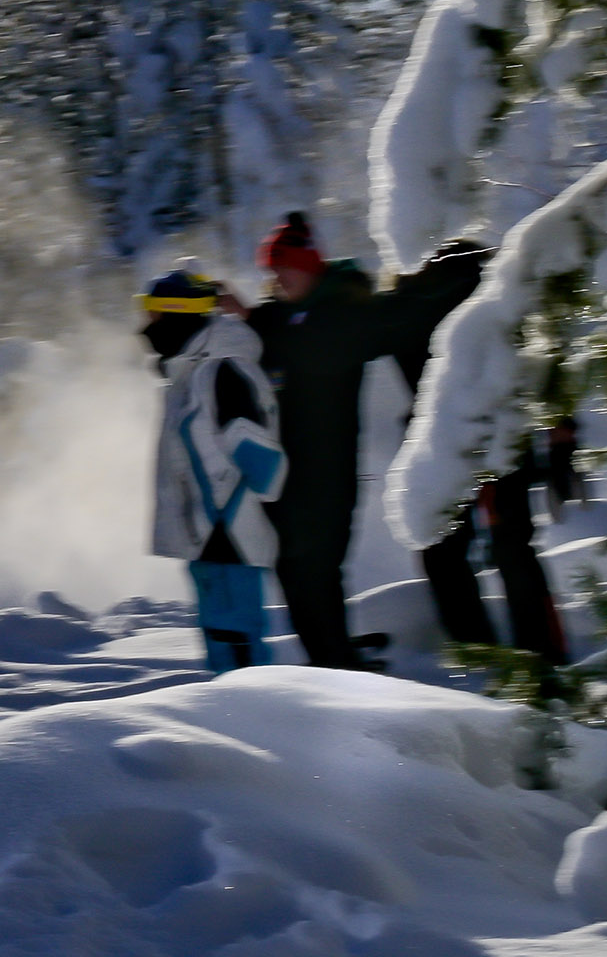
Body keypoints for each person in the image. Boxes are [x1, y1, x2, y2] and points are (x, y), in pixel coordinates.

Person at [242, 210, 487, 671]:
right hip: (282, 470)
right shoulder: (279, 315)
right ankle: (331, 656)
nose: (276, 276)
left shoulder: (339, 310)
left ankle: (335, 661)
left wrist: (462, 272)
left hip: (326, 469)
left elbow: (338, 340)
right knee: (297, 569)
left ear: (310, 266)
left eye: (285, 266)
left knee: (314, 565)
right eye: (271, 268)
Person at [141, 265, 284, 670]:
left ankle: (257, 726)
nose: (147, 326)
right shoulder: (190, 373)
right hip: (208, 537)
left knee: (239, 647)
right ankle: (230, 724)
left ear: (177, 313)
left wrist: (225, 511)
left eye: (153, 313)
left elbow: (265, 465)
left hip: (228, 537)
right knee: (223, 644)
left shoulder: (222, 370)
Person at [425, 416, 578, 668]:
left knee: (510, 543)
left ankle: (541, 657)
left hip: (500, 423)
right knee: (442, 548)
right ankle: (476, 657)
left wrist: (562, 430)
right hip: (436, 433)